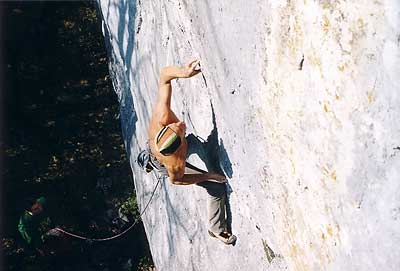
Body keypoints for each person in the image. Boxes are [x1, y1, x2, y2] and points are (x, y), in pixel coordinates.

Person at [144, 59, 236, 245]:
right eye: (180, 130)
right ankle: (216, 229)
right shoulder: (175, 163)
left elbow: (164, 77)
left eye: (176, 126)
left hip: (162, 146)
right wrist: (209, 176)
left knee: (196, 144)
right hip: (163, 161)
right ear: (178, 149)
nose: (181, 124)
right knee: (216, 187)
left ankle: (152, 157)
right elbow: (177, 180)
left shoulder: (162, 116)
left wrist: (183, 72)